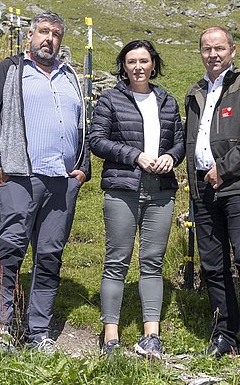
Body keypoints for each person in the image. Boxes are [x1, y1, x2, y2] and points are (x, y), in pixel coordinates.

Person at [0, 11, 90, 354]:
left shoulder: (70, 76)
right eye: (42, 32)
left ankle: (38, 332)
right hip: (19, 176)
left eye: (55, 33)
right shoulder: (9, 71)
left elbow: (83, 123)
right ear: (30, 36)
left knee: (50, 255)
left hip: (62, 181)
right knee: (10, 249)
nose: (48, 38)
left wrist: (82, 168)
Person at [184, 26, 240, 363]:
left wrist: (224, 168)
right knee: (213, 265)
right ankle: (225, 334)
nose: (213, 54)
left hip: (237, 188)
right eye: (207, 49)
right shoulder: (194, 91)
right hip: (202, 190)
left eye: (219, 48)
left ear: (232, 50)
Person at [89, 40, 185, 359]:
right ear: (124, 66)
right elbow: (97, 141)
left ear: (153, 64)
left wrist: (171, 157)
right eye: (132, 61)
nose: (138, 67)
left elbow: (180, 142)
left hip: (161, 191)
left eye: (144, 60)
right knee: (117, 262)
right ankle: (111, 338)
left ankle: (151, 337)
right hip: (123, 190)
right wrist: (134, 156)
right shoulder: (110, 99)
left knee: (152, 263)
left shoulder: (168, 101)